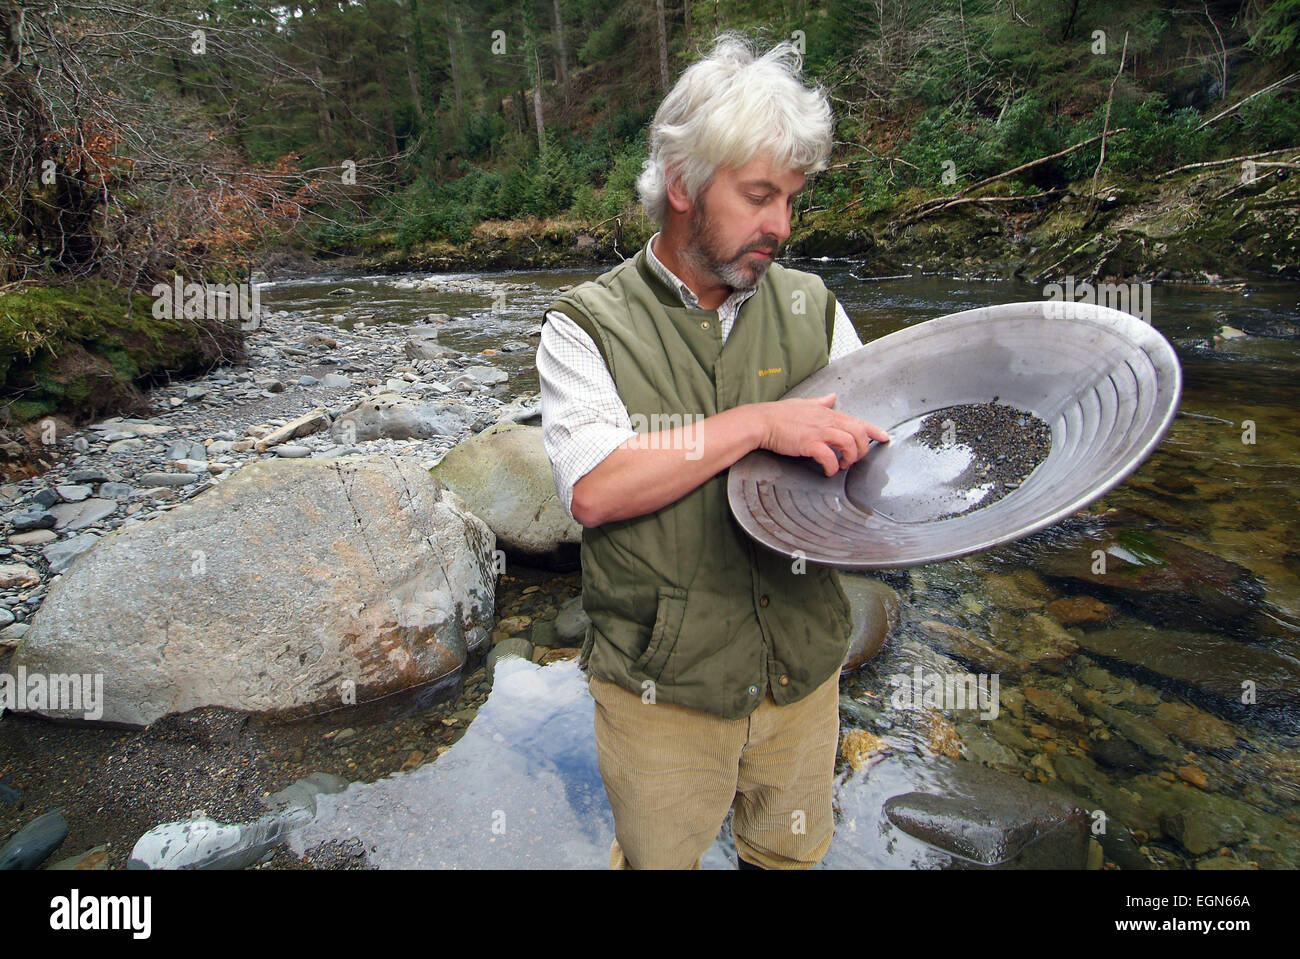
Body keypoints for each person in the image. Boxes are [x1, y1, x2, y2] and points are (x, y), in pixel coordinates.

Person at [536, 32, 889, 870]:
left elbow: (878, 456)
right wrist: (756, 425)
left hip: (803, 673)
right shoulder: (584, 326)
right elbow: (596, 489)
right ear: (685, 184)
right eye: (759, 195)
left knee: (790, 856)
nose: (781, 226)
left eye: (792, 199)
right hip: (662, 690)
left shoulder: (813, 308)